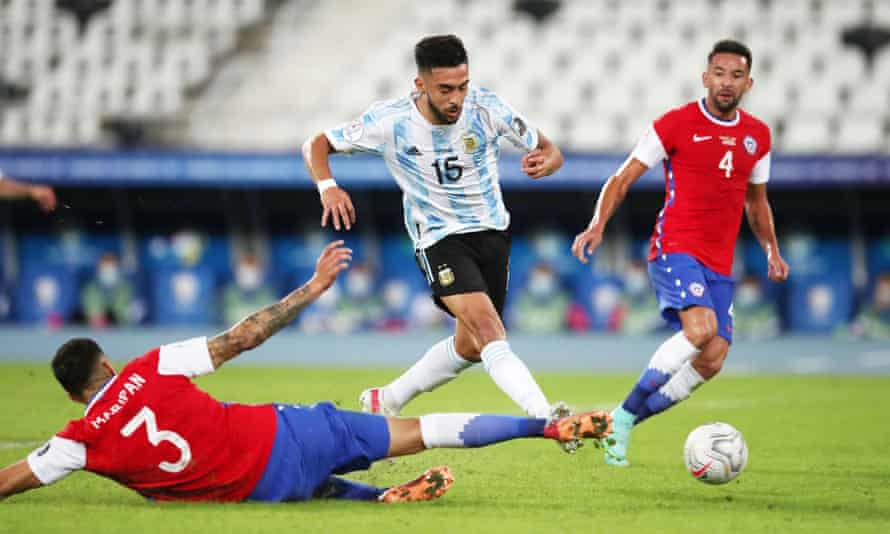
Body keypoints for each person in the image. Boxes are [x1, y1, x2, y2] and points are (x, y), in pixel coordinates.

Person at [0, 241, 613, 504]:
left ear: (74, 392)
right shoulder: (147, 368)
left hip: (249, 493)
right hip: (281, 436)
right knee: (416, 431)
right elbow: (243, 337)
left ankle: (371, 502)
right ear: (106, 363)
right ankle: (545, 429)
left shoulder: (78, 442)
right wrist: (313, 287)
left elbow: (13, 479)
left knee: (302, 488)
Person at [303, 35, 569, 435]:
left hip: (493, 234)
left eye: (462, 86)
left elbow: (551, 149)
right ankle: (545, 416)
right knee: (487, 329)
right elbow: (316, 143)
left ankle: (387, 398)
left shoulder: (486, 107)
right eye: (445, 89)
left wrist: (546, 163)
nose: (456, 98)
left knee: (470, 346)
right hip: (439, 238)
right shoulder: (391, 121)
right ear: (420, 84)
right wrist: (328, 186)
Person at [571, 40, 790, 467]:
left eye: (737, 75)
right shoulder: (675, 124)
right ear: (705, 77)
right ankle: (624, 415)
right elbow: (623, 177)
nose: (727, 83)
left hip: (719, 263)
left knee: (712, 359)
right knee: (701, 327)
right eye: (720, 73)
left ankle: (623, 419)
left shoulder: (758, 136)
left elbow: (756, 202)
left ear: (750, 82)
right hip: (675, 246)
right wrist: (598, 223)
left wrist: (771, 250)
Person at [81, 252, 137, 328]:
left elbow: (126, 314)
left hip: (122, 331)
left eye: (111, 267)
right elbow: (94, 316)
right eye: (105, 267)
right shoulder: (91, 289)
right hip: (97, 331)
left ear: (118, 268)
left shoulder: (126, 288)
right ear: (99, 268)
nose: (108, 270)